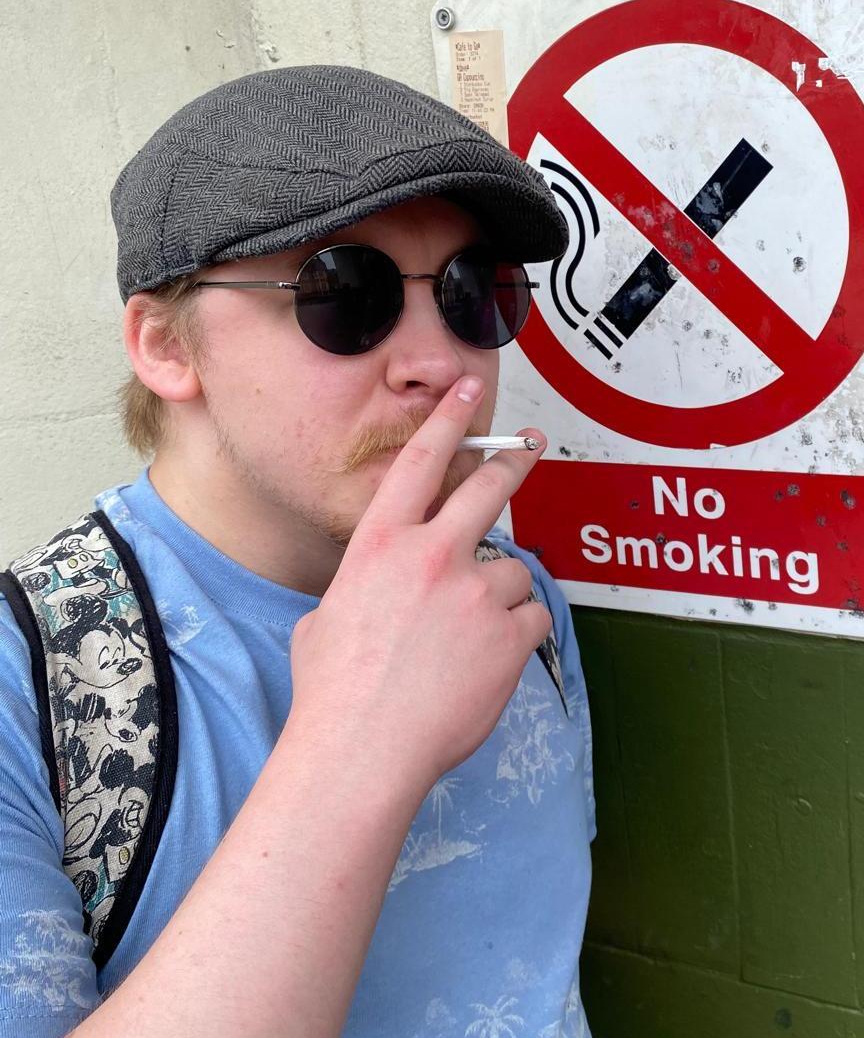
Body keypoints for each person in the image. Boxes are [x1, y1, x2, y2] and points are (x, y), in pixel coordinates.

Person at [0, 66, 595, 1038]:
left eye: (470, 293)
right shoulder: (33, 686)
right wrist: (363, 742)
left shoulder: (509, 600)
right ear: (165, 346)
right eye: (344, 291)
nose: (440, 363)